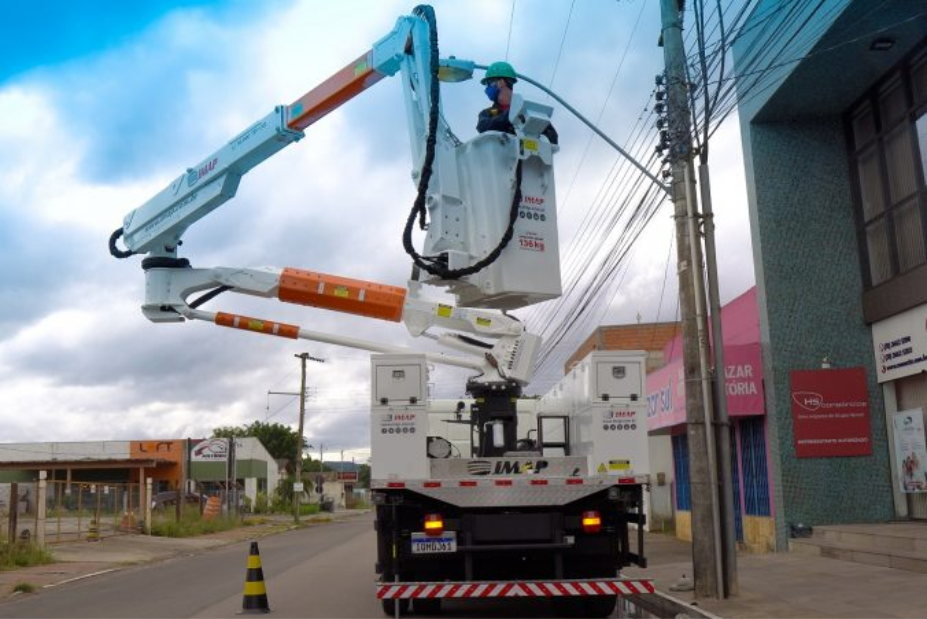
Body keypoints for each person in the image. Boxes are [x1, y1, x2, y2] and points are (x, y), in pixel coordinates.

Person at [477, 61, 558, 145]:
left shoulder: (528, 109)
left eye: (489, 83)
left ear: (501, 82)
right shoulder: (487, 113)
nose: (487, 88)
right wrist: (511, 115)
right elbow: (482, 127)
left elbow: (553, 138)